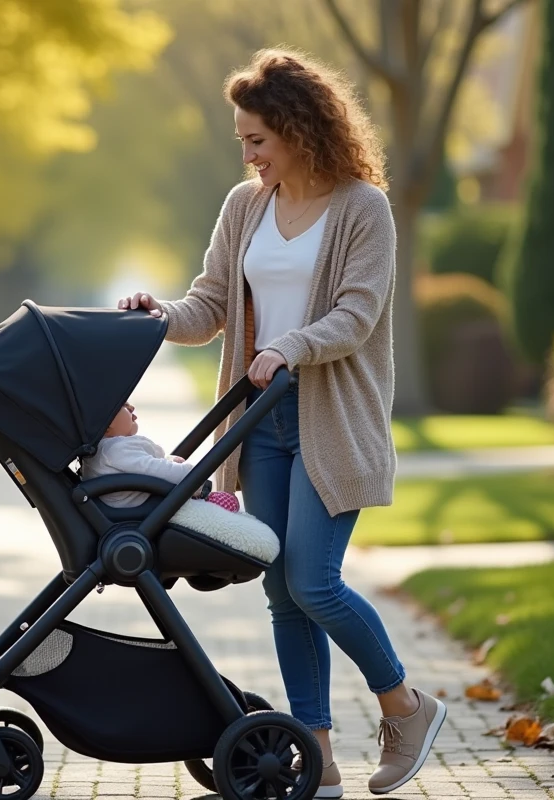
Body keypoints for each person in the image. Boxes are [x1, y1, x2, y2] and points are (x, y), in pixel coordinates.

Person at [117, 48, 445, 797]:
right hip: (257, 421)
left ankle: (406, 705)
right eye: (242, 140)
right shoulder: (245, 206)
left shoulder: (364, 207)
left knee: (314, 581)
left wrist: (289, 348)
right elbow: (209, 305)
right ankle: (317, 756)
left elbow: (357, 315)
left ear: (299, 130)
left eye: (256, 139)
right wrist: (157, 317)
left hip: (330, 417)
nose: (247, 154)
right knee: (279, 590)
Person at [82, 402, 241, 511]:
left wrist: (168, 460)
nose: (131, 407)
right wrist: (195, 478)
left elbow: (145, 467)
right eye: (123, 405)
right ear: (105, 423)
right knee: (225, 507)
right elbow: (164, 472)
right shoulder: (115, 451)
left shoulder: (104, 452)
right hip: (149, 512)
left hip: (147, 507)